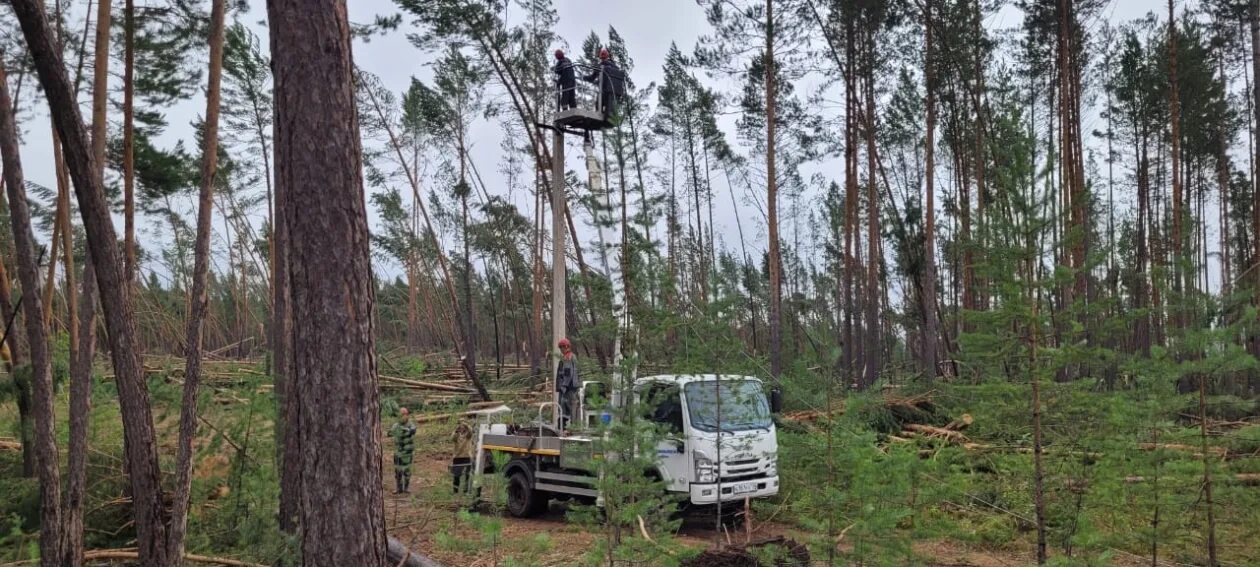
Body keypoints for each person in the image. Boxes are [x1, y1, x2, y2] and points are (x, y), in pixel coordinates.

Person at [584, 48, 625, 120]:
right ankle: (610, 115)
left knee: (599, 103)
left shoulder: (601, 66)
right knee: (610, 106)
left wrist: (584, 78)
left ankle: (600, 114)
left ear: (600, 57)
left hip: (605, 90)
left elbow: (592, 77)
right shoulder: (615, 67)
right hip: (615, 92)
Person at [390, 407, 417, 494]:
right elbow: (389, 433)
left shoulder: (410, 424)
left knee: (407, 471)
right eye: (402, 414)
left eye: (405, 414)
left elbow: (413, 430)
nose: (404, 416)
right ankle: (399, 488)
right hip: (398, 452)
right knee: (398, 471)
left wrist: (406, 430)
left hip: (407, 453)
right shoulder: (396, 425)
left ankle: (406, 488)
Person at [556, 337, 579, 429]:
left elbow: (568, 374)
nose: (561, 350)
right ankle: (570, 426)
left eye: (561, 348)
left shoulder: (568, 357)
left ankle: (563, 427)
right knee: (571, 407)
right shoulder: (573, 356)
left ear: (566, 347)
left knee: (564, 406)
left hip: (568, 388)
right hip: (572, 387)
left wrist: (563, 386)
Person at [450, 417, 474, 494]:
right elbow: (452, 438)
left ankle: (465, 491)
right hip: (458, 457)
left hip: (467, 456)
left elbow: (470, 431)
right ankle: (455, 491)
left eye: (463, 424)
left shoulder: (468, 434)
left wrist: (466, 425)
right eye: (460, 424)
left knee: (468, 475)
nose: (462, 426)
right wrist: (457, 430)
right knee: (456, 475)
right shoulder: (456, 433)